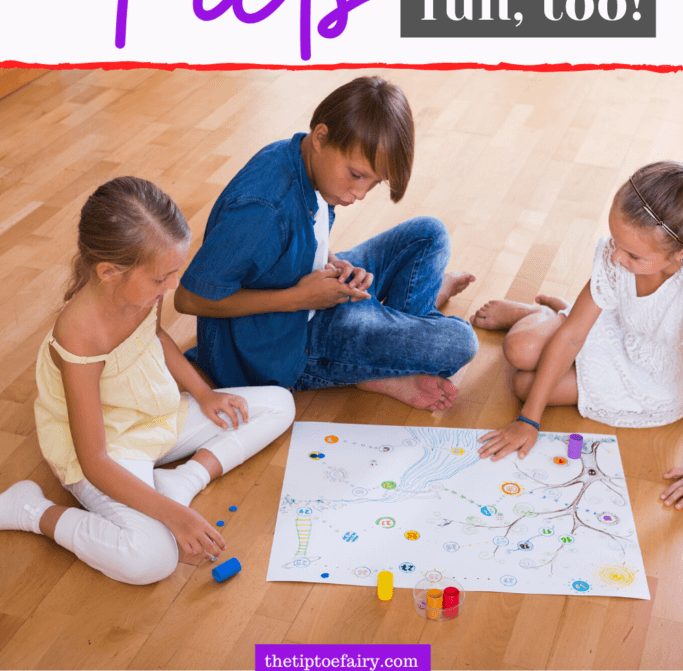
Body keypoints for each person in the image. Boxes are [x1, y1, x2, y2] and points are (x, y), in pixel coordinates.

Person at [0, 177, 294, 585]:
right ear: (109, 272)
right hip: (107, 450)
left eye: (176, 272)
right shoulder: (79, 334)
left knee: (279, 404)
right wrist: (174, 516)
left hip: (155, 417)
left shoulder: (141, 293)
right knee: (151, 560)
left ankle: (182, 480)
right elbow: (95, 460)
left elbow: (155, 336)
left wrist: (204, 393)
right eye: (162, 279)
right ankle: (32, 512)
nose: (172, 287)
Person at [175, 76, 479, 413]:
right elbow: (189, 298)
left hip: (310, 287)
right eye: (356, 175)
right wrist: (299, 299)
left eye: (373, 183)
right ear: (322, 137)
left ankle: (387, 340)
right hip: (285, 340)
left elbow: (305, 234)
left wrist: (334, 262)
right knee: (460, 342)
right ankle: (382, 354)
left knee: (430, 233)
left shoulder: (302, 158)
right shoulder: (262, 211)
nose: (361, 194)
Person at [474, 161, 683, 510]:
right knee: (521, 350)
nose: (615, 256)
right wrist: (529, 420)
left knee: (524, 386)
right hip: (617, 330)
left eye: (633, 255)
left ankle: (550, 312)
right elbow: (573, 335)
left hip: (658, 381)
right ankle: (542, 314)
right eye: (615, 241)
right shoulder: (618, 256)